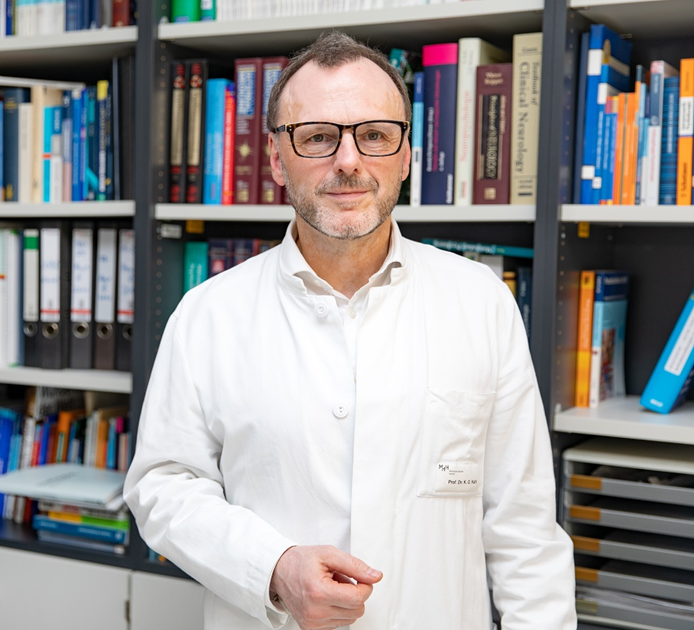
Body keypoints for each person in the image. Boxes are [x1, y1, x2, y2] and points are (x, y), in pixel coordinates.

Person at [124, 31, 576, 630]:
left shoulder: (482, 304)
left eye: (375, 135)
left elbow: (524, 529)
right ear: (275, 158)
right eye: (316, 136)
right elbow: (163, 487)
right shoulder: (208, 315)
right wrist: (273, 568)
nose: (348, 161)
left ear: (407, 153)